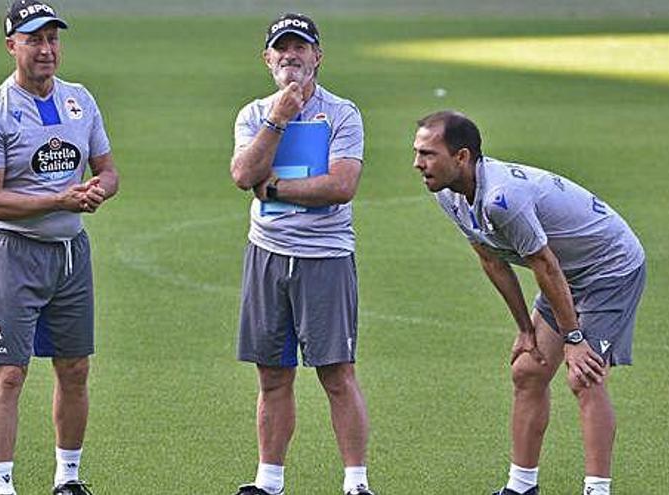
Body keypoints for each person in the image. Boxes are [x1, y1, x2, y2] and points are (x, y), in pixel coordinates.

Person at [411, 110, 645, 495]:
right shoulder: (449, 194)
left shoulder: (503, 199)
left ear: (462, 157)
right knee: (528, 370)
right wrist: (525, 329)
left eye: (428, 154)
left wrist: (573, 338)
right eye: (417, 152)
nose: (418, 164)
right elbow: (491, 259)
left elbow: (545, 266)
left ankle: (597, 490)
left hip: (609, 268)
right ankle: (521, 488)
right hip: (565, 272)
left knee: (583, 375)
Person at [0, 1, 118, 494]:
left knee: (74, 368)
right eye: (34, 39)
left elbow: (108, 170)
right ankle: (2, 486)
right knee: (9, 373)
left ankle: (68, 479)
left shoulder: (80, 100)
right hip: (14, 254)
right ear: (12, 46)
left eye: (52, 38)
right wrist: (59, 197)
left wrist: (99, 189)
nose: (47, 49)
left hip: (71, 254)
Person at [229, 13, 375, 495]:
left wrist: (274, 189)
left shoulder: (341, 113)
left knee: (337, 372)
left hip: (325, 257)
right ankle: (269, 480)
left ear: (318, 55)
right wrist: (279, 118)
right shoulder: (254, 114)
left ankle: (356, 482)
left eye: (301, 48)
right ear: (267, 58)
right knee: (272, 373)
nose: (291, 56)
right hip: (267, 254)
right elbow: (242, 174)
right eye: (282, 49)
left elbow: (341, 185)